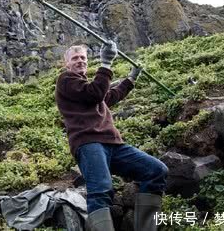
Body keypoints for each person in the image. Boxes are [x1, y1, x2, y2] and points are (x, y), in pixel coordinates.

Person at [55, 41, 168, 231]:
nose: (80, 61)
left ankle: (145, 227)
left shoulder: (86, 88)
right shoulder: (66, 80)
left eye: (83, 57)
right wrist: (106, 62)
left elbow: (109, 96)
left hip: (113, 144)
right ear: (67, 64)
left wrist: (131, 78)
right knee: (100, 189)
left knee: (156, 170)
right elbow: (97, 93)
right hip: (89, 143)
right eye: (75, 58)